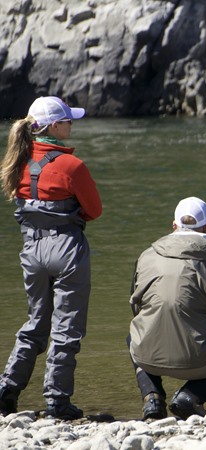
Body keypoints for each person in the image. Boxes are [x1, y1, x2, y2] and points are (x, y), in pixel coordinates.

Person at [0, 96, 102, 420]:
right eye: (69, 120)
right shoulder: (72, 166)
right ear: (54, 127)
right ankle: (57, 401)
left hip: (31, 250)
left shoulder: (16, 163)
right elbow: (95, 211)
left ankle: (7, 390)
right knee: (66, 329)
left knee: (35, 324)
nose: (72, 124)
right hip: (67, 250)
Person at [128, 196, 206, 420]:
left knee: (133, 337)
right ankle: (189, 396)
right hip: (200, 360)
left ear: (174, 225)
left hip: (146, 355)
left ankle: (152, 397)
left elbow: (136, 308)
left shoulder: (146, 256)